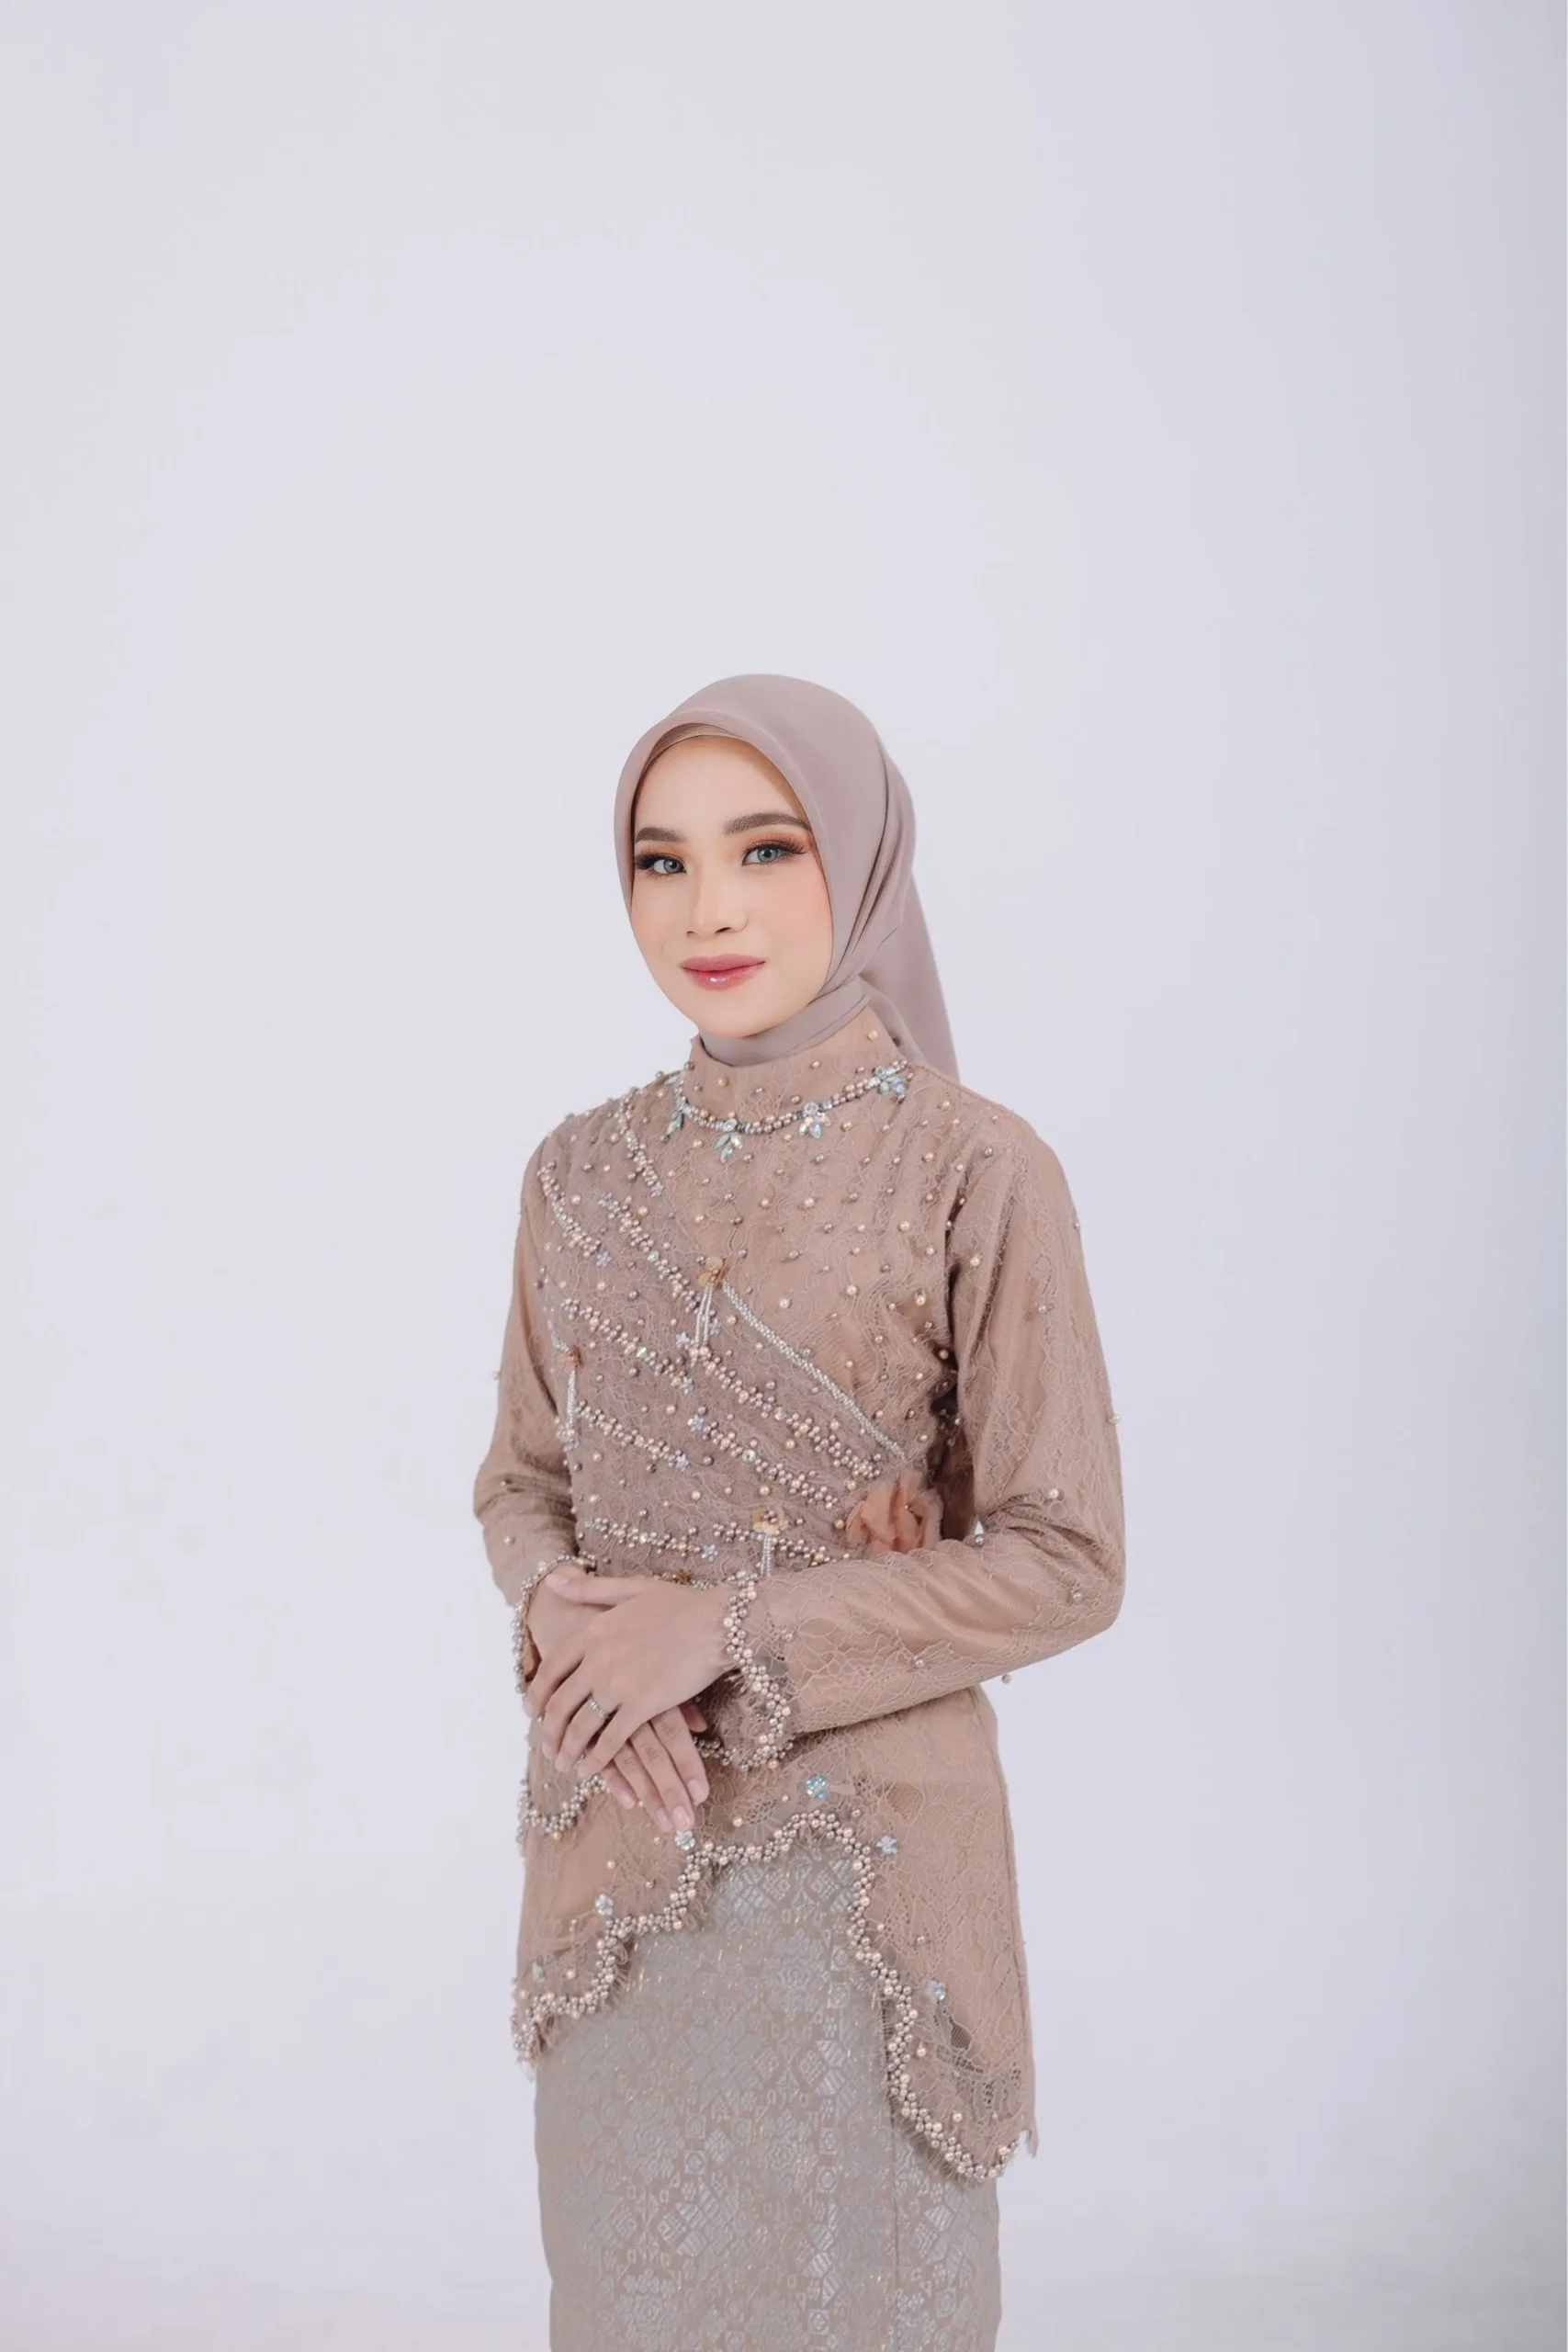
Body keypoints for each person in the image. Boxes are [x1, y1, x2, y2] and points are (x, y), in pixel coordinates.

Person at [471, 673, 1126, 2351]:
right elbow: (523, 1482)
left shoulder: (974, 1168)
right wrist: (568, 1630)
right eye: (662, 860)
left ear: (861, 858)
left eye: (765, 848)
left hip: (863, 1898)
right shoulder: (576, 1174)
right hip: (621, 1864)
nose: (709, 908)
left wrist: (721, 1632)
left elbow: (1065, 1558)